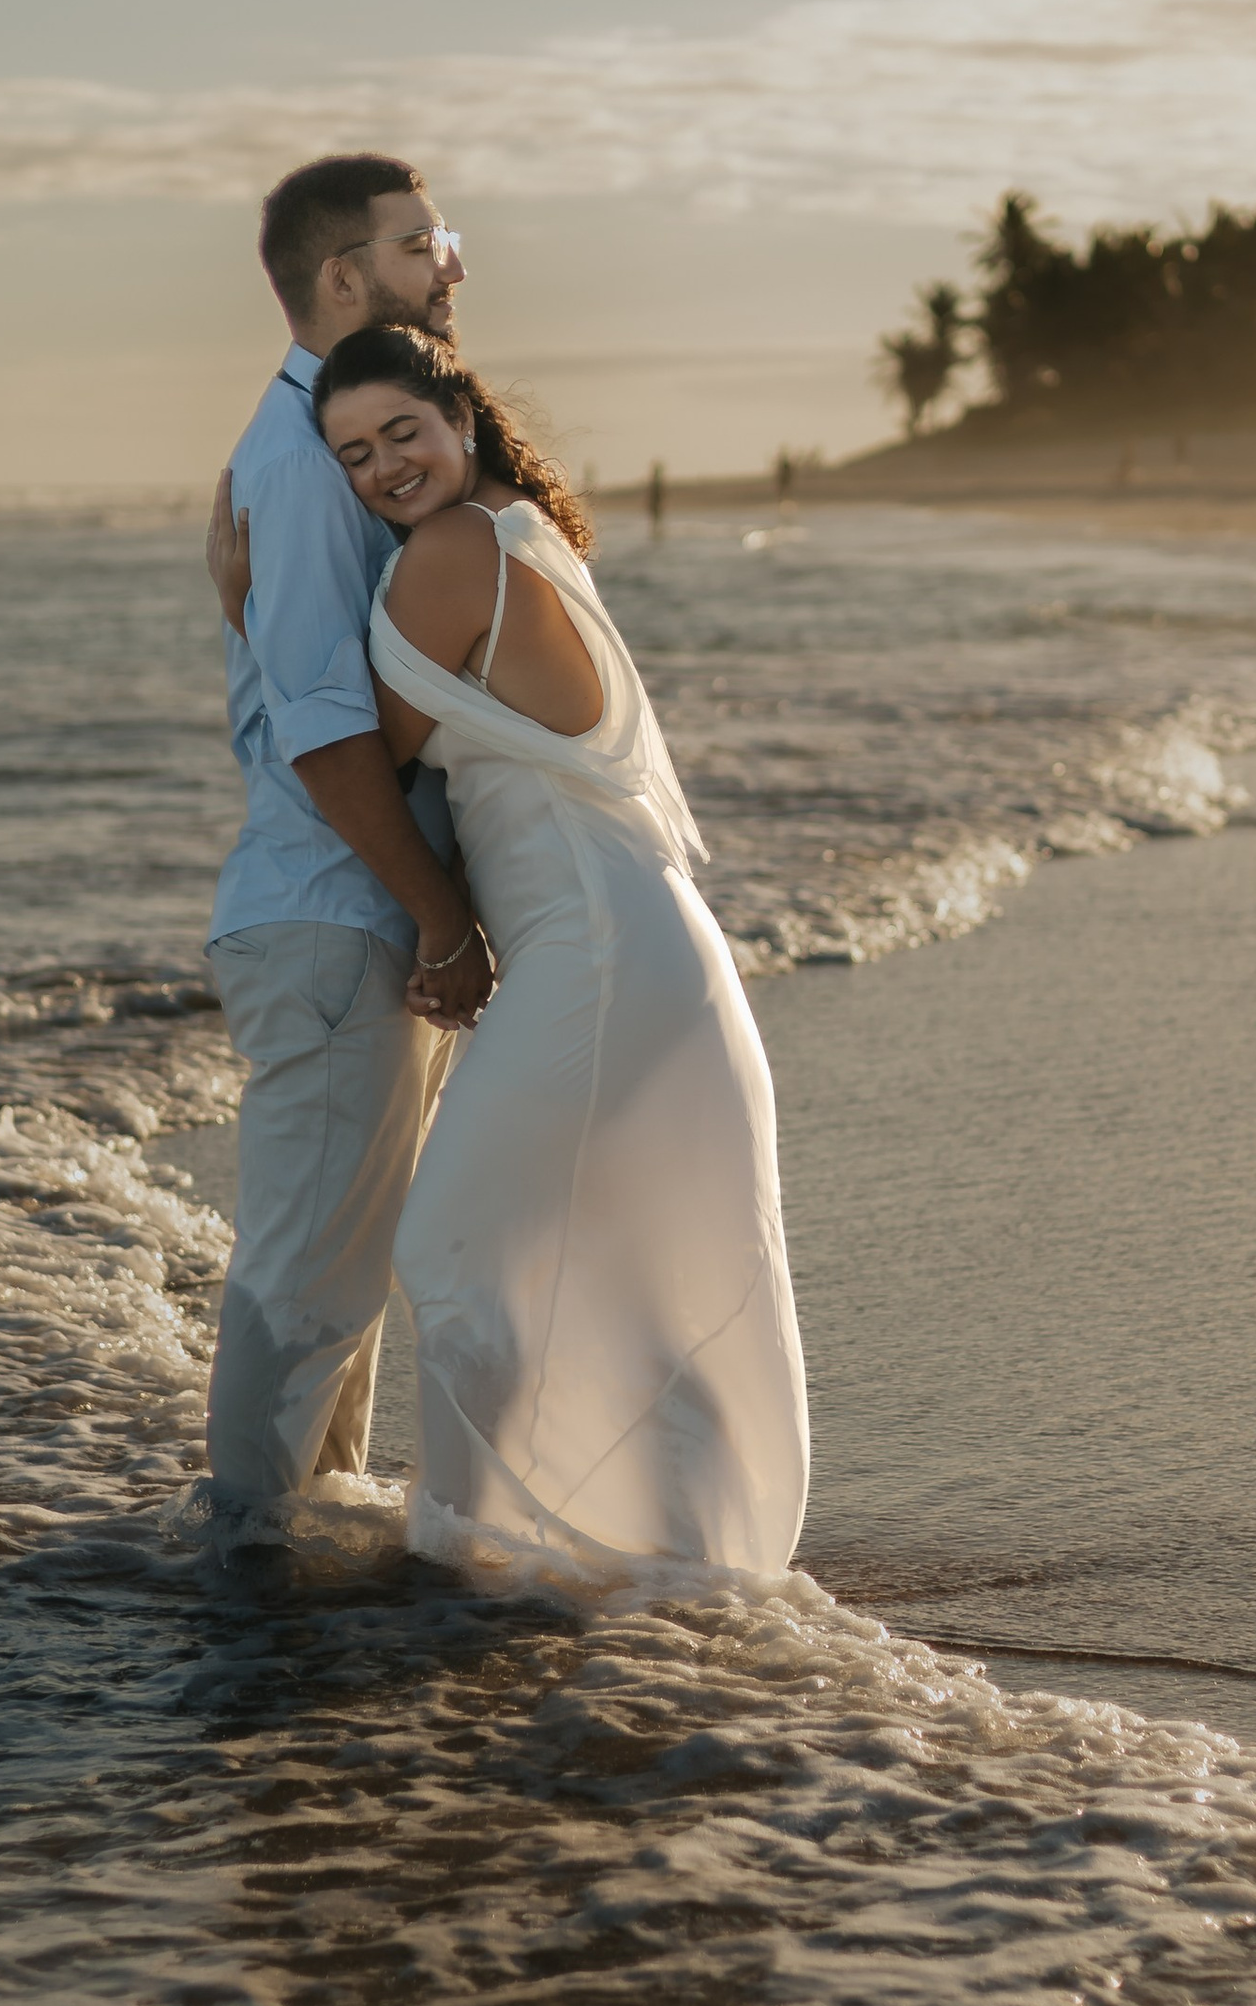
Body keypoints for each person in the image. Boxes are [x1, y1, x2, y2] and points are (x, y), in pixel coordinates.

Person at [236, 320, 809, 1580]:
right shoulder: (512, 532)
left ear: (464, 421)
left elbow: (344, 749)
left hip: (597, 957)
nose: (384, 467)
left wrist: (249, 602)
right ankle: (655, 1560)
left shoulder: (448, 554)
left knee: (455, 1245)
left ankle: (485, 1558)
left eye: (404, 433)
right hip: (629, 944)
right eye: (350, 456)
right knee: (611, 1270)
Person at [198, 155, 496, 1532]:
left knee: (342, 1280)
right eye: (422, 241)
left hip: (350, 908)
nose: (452, 262)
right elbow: (322, 735)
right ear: (342, 276)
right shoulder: (309, 468)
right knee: (307, 1281)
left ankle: (313, 1552)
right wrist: (441, 917)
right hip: (335, 912)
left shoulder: (325, 446)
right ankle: (242, 1575)